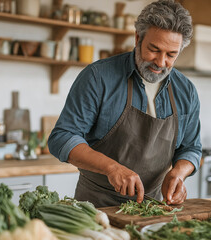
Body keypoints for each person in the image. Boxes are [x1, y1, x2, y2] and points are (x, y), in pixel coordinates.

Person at [48, 0, 201, 208]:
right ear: (138, 38)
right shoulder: (98, 77)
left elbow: (191, 147)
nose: (160, 62)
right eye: (154, 50)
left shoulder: (187, 91)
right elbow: (62, 137)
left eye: (171, 55)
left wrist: (179, 173)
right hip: (96, 207)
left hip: (153, 208)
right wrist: (112, 168)